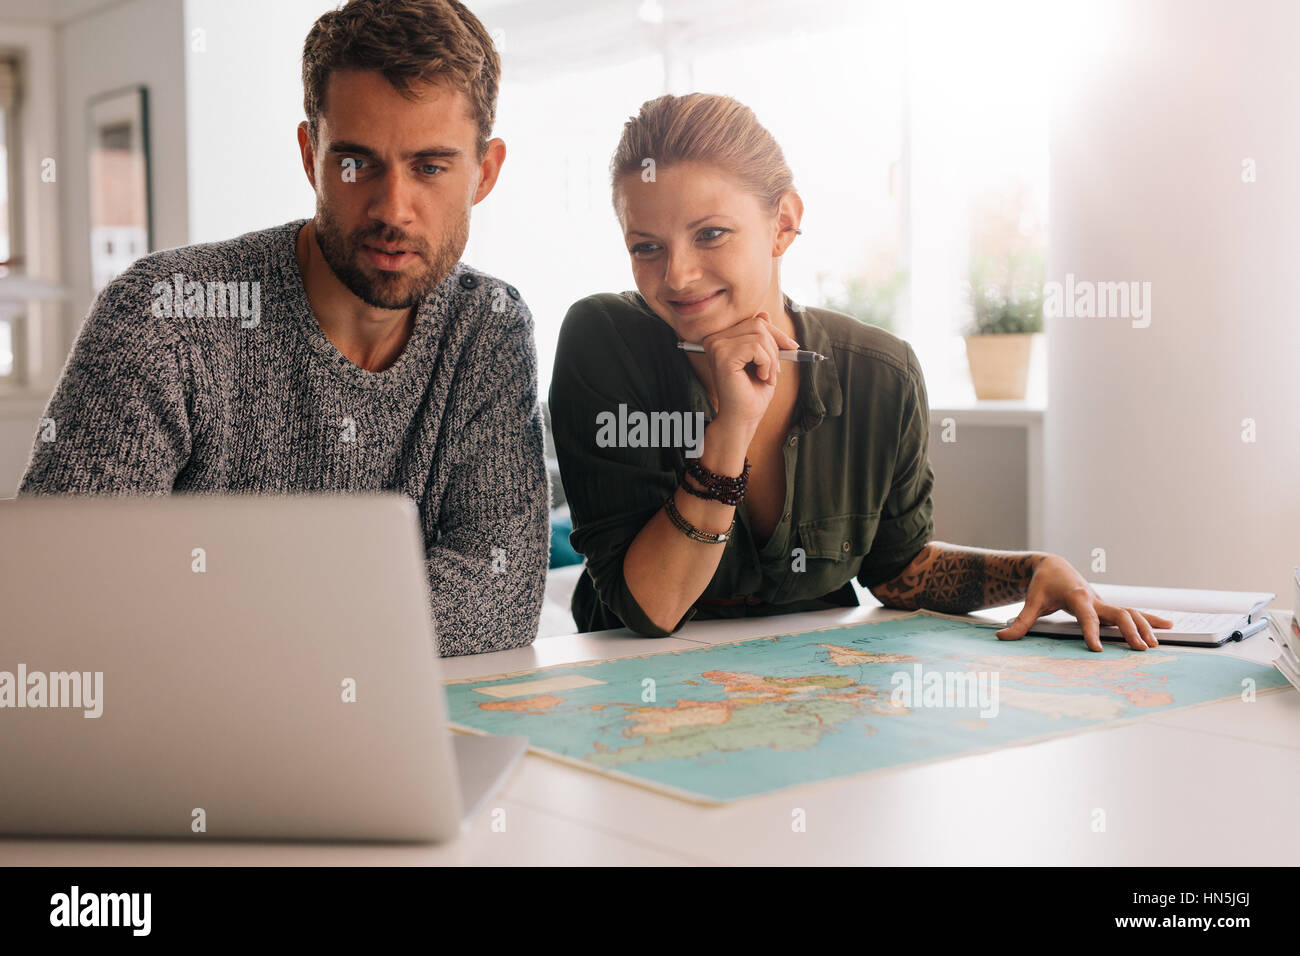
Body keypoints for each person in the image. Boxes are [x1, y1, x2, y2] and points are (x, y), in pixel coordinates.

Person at [18, 0, 548, 657]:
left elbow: (501, 601)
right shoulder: (167, 313)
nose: (393, 209)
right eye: (357, 164)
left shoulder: (487, 328)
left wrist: (238, 615)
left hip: (406, 737)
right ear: (310, 155)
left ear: (485, 172)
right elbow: (61, 585)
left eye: (430, 167)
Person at [549, 92, 1171, 652]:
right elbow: (651, 608)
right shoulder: (605, 341)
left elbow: (896, 569)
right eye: (646, 247)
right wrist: (733, 426)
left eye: (711, 234)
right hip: (637, 689)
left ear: (783, 223)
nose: (677, 275)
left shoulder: (882, 373)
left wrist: (1031, 570)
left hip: (820, 687)